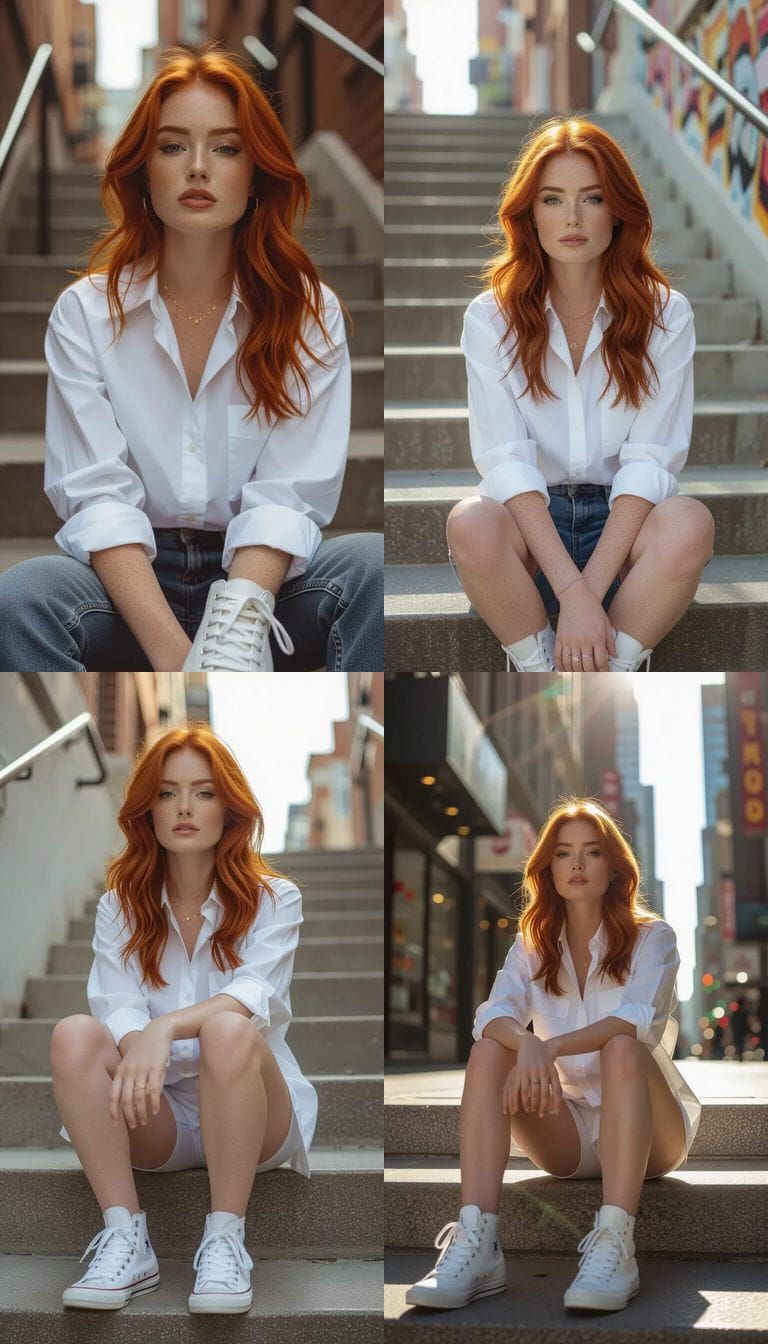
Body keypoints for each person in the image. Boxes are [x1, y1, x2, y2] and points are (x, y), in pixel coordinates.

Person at [0, 41, 382, 672]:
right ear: (142, 168)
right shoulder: (85, 314)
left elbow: (288, 497)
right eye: (173, 146)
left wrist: (233, 634)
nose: (198, 167)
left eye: (226, 148)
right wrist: (185, 663)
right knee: (21, 598)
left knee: (372, 566)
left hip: (263, 582)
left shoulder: (309, 311)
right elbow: (97, 498)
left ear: (256, 171)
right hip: (128, 581)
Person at [51, 724, 316, 1314]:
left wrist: (163, 1029)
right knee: (74, 1034)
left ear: (231, 807)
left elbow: (252, 996)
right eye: (167, 793)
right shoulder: (119, 904)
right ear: (147, 811)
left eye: (203, 791)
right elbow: (114, 1003)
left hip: (255, 1115)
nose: (185, 808)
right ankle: (126, 1235)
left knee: (228, 1029)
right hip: (156, 1113)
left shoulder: (276, 900)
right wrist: (136, 1039)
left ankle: (224, 1240)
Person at [406, 798, 701, 1314]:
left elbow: (634, 1018)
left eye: (592, 852)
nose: (578, 864)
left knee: (623, 1048)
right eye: (564, 853)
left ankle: (615, 1243)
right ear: (549, 868)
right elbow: (491, 1014)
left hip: (650, 1134)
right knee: (486, 1054)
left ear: (614, 867)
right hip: (565, 1134)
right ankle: (478, 1242)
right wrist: (525, 1045)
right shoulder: (532, 943)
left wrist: (549, 1046)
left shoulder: (654, 937)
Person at [447, 117, 714, 672]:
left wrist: (586, 593)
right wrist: (571, 593)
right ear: (530, 214)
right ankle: (538, 666)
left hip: (626, 522)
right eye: (552, 199)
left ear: (618, 211)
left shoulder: (666, 315)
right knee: (470, 522)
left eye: (591, 198)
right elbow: (506, 463)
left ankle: (609, 666)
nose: (571, 218)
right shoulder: (490, 318)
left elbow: (650, 461)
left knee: (690, 522)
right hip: (530, 524)